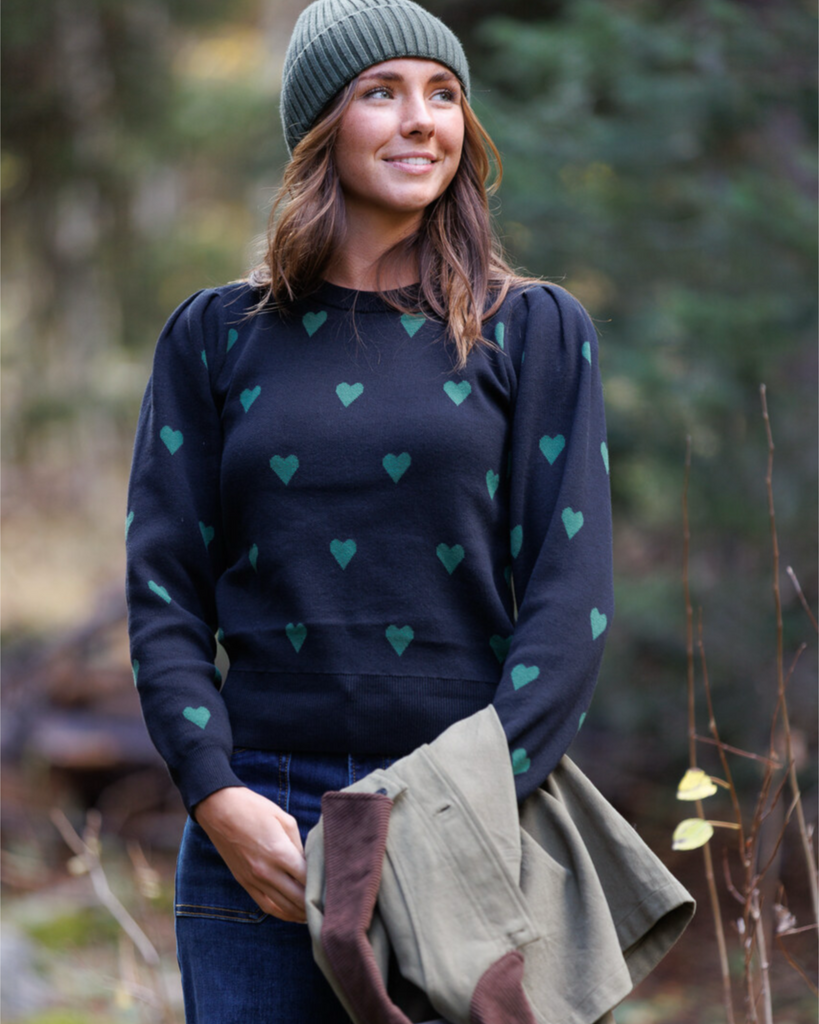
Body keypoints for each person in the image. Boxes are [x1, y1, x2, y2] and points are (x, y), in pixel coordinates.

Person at [125, 0, 614, 1020]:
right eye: (380, 93)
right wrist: (214, 793)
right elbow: (164, 589)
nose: (421, 120)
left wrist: (466, 794)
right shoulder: (215, 337)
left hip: (465, 812)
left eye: (444, 95)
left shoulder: (532, 330)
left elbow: (570, 600)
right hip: (260, 825)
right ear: (320, 128)